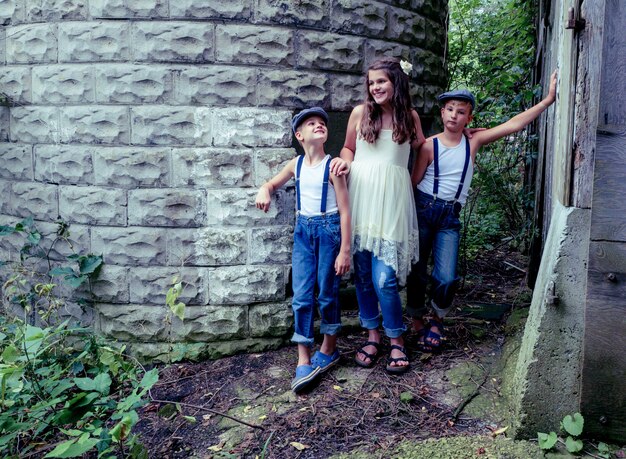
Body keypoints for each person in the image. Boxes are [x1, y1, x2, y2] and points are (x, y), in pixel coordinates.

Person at [407, 71, 558, 352]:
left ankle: (437, 317)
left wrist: (548, 99)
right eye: (449, 110)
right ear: (442, 113)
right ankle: (416, 317)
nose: (454, 115)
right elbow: (413, 182)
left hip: (450, 216)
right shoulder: (429, 146)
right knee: (417, 270)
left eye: (461, 112)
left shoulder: (472, 142)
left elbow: (512, 125)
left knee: (447, 276)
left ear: (469, 119)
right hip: (423, 209)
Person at [331, 57, 426, 374]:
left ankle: (396, 339)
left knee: (384, 278)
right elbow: (348, 148)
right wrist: (344, 163)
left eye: (381, 82)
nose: (375, 88)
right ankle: (373, 335)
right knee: (363, 275)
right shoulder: (361, 113)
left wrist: (461, 136)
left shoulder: (408, 117)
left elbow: (423, 149)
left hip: (392, 202)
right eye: (371, 83)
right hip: (361, 195)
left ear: (396, 82)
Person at [255, 107, 351, 393]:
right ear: (300, 135)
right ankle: (303, 356)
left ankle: (330, 347)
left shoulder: (333, 167)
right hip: (303, 232)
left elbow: (346, 211)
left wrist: (345, 250)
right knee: (301, 294)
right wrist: (265, 189)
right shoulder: (295, 165)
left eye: (322, 123)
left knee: (327, 291)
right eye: (311, 123)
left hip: (330, 230)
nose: (319, 126)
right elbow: (272, 183)